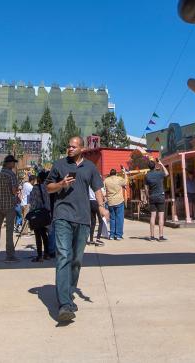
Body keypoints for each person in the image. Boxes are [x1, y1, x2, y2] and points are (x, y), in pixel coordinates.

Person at [46, 136, 106, 322]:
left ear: (82, 148)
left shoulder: (90, 167)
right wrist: (61, 184)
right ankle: (64, 304)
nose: (69, 149)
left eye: (73, 146)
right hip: (63, 215)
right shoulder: (59, 165)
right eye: (68, 146)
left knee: (76, 260)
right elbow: (48, 187)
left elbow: (97, 189)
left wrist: (102, 207)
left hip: (83, 219)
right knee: (64, 255)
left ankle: (69, 292)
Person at [0, 155, 20, 262]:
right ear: (8, 163)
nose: (14, 164)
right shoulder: (11, 175)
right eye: (13, 162)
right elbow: (14, 190)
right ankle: (9, 255)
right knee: (9, 231)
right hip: (9, 205)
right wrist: (16, 196)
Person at [27, 170, 52, 262]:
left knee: (38, 236)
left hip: (37, 214)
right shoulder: (47, 187)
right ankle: (47, 254)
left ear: (38, 178)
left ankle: (39, 256)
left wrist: (30, 213)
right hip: (45, 213)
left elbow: (32, 202)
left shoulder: (35, 188)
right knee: (44, 235)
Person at [144, 158, 169, 241]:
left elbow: (146, 188)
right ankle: (161, 236)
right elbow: (167, 173)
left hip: (152, 197)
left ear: (149, 167)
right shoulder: (159, 174)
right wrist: (161, 164)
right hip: (160, 196)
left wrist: (148, 196)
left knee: (153, 216)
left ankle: (152, 236)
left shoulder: (147, 175)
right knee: (161, 217)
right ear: (155, 166)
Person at [103, 168, 127, 239]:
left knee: (112, 218)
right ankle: (118, 235)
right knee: (119, 218)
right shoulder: (119, 179)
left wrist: (105, 197)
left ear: (110, 174)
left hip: (110, 201)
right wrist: (124, 173)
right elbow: (126, 182)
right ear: (116, 173)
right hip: (119, 200)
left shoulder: (106, 180)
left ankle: (112, 234)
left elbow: (103, 191)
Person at [17, 173, 34, 237]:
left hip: (22, 203)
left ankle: (25, 231)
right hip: (27, 204)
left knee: (24, 218)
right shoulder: (31, 187)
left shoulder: (24, 184)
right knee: (26, 218)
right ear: (32, 180)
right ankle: (25, 232)